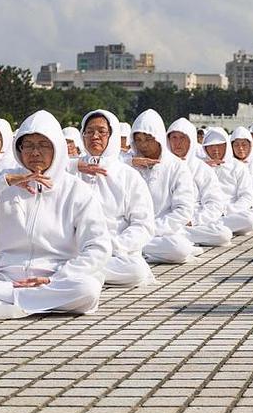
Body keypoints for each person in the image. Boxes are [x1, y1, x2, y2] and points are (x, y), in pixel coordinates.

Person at [0, 110, 110, 319]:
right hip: (5, 280)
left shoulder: (76, 190)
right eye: (28, 145)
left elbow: (98, 247)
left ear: (57, 148)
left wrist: (60, 277)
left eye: (43, 145)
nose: (34, 152)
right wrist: (2, 182)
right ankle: (24, 305)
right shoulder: (5, 182)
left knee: (87, 289)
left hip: (54, 279)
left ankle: (10, 306)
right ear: (18, 148)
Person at [76, 110, 156, 287]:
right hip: (75, 249)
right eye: (89, 131)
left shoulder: (128, 175)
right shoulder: (72, 170)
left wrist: (113, 246)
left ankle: (75, 273)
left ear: (111, 136)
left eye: (101, 132)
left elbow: (143, 224)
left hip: (114, 252)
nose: (95, 136)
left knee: (137, 270)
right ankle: (79, 272)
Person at [130, 110, 200, 264]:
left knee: (179, 248)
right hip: (128, 229)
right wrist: (129, 163)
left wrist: (149, 229)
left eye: (148, 139)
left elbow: (183, 210)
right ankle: (131, 249)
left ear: (159, 138)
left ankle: (130, 250)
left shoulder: (176, 167)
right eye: (138, 139)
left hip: (161, 232)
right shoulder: (127, 163)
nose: (143, 145)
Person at [166, 118, 234, 247]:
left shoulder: (202, 168)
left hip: (192, 222)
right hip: (167, 220)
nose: (177, 143)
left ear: (191, 140)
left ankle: (179, 238)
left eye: (182, 138)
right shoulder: (162, 166)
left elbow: (214, 203)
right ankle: (176, 240)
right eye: (174, 138)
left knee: (223, 234)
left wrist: (194, 220)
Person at [200, 127, 253, 235]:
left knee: (250, 220)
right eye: (211, 146)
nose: (215, 149)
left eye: (219, 145)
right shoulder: (199, 166)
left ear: (227, 146)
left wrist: (228, 210)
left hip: (229, 214)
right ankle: (210, 230)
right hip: (205, 214)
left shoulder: (237, 166)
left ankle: (209, 230)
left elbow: (246, 196)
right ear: (205, 148)